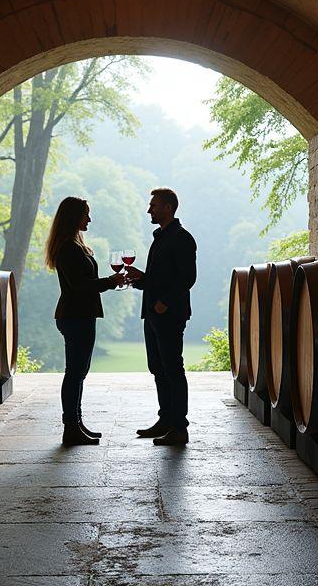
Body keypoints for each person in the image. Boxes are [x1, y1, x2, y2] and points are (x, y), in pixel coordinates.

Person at [45, 196, 124, 446]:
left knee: (79, 373)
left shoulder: (75, 245)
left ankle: (77, 424)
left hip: (80, 315)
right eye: (85, 214)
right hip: (75, 316)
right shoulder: (68, 248)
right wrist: (110, 283)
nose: (89, 218)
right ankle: (70, 428)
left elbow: (83, 283)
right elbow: (79, 286)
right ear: (73, 217)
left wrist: (109, 282)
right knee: (74, 373)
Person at [125, 187, 197, 445]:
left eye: (153, 205)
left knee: (173, 370)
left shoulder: (181, 238)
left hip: (169, 314)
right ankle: (165, 420)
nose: (149, 210)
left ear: (168, 208)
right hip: (153, 314)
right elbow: (160, 278)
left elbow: (187, 278)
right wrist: (141, 279)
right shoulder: (161, 237)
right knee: (158, 369)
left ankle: (180, 428)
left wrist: (164, 302)